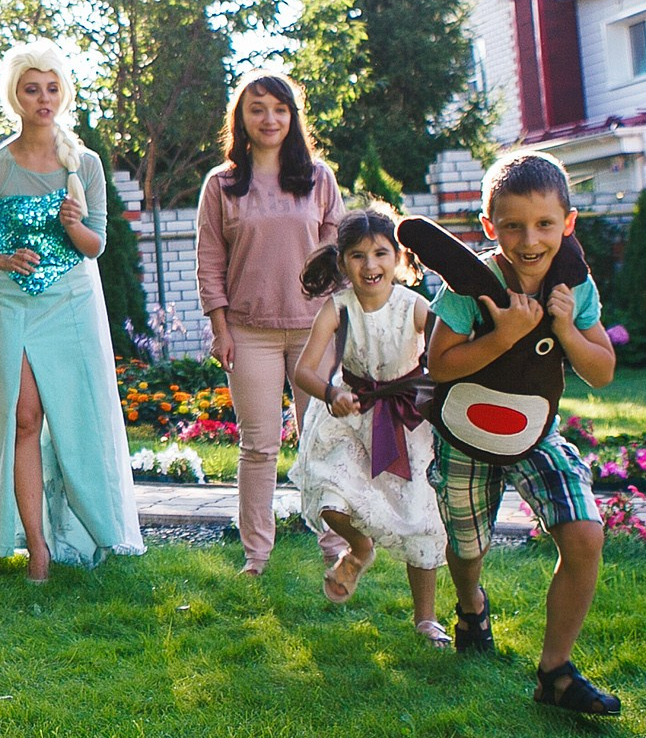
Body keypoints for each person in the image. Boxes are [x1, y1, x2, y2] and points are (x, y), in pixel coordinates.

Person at [422, 151, 623, 716]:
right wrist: (505, 333)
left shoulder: (574, 287)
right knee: (468, 547)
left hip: (535, 435)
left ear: (568, 223)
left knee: (584, 535)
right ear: (490, 227)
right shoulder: (471, 286)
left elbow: (602, 372)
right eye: (512, 226)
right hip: (465, 436)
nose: (529, 240)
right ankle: (471, 605)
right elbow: (439, 366)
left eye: (544, 224)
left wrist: (566, 328)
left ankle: (556, 672)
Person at [0, 40, 143, 581]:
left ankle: (93, 530)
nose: (42, 98)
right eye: (31, 89)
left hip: (72, 300)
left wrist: (73, 224)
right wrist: (1, 258)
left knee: (78, 418)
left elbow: (96, 246)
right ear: (14, 97)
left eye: (51, 89)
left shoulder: (84, 164)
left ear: (64, 94)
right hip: (14, 302)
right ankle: (36, 546)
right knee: (24, 417)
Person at [194, 73, 349, 577]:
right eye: (257, 109)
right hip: (248, 333)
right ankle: (256, 556)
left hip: (314, 332)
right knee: (259, 447)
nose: (269, 119)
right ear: (241, 118)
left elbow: (340, 255)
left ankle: (335, 547)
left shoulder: (319, 179)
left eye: (280, 109)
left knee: (321, 440)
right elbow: (209, 260)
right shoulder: (221, 185)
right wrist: (220, 328)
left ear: (293, 117)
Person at [288, 209, 452, 644]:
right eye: (358, 256)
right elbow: (304, 370)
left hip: (405, 418)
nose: (370, 265)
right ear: (343, 262)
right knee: (330, 495)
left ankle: (426, 617)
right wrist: (331, 393)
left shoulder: (414, 307)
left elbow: (448, 353)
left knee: (420, 515)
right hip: (350, 414)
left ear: (398, 258)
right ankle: (360, 548)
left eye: (381, 253)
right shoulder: (338, 308)